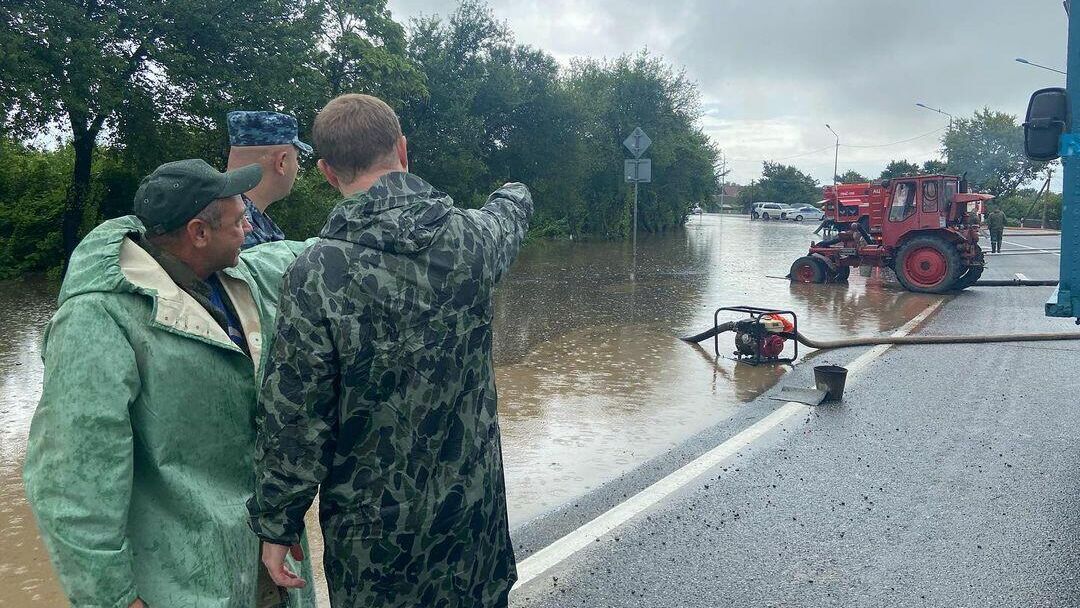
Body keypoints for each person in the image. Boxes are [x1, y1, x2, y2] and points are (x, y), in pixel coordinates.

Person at [247, 93, 533, 607]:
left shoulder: (315, 272)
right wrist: (513, 189)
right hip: (474, 532)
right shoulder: (471, 242)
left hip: (372, 551)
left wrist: (277, 521)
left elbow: (294, 418)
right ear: (404, 150)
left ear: (327, 172)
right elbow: (511, 213)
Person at [24, 159, 316, 608]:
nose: (247, 229)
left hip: (268, 564)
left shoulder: (239, 279)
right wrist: (112, 597)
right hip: (181, 581)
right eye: (238, 222)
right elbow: (72, 480)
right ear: (198, 232)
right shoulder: (98, 319)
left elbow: (313, 253)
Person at [227, 110, 312, 248]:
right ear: (281, 162)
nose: (297, 166)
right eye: (297, 158)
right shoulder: (239, 231)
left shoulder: (216, 213)